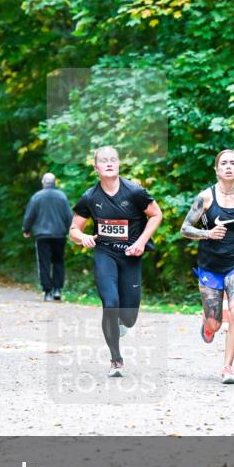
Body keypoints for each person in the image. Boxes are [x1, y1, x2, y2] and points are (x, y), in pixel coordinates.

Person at [70, 147, 163, 377]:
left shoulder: (134, 192)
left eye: (113, 160)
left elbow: (156, 214)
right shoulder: (90, 197)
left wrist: (141, 242)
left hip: (131, 255)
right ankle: (116, 360)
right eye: (104, 160)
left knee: (129, 318)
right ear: (96, 168)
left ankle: (122, 324)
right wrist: (83, 237)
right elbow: (73, 229)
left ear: (119, 164)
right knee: (110, 304)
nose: (109, 163)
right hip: (105, 253)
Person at [180, 149, 234, 384]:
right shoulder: (205, 198)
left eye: (233, 163)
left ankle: (228, 367)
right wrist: (207, 234)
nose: (228, 166)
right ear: (217, 170)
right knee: (214, 323)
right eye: (224, 163)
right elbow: (185, 228)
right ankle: (207, 325)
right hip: (209, 267)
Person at [23, 173, 75, 301]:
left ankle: (47, 292)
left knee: (44, 263)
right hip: (59, 234)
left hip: (42, 235)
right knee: (58, 261)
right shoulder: (62, 197)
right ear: (54, 182)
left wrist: (26, 229)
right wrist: (72, 230)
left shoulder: (37, 197)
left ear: (43, 182)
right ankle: (57, 290)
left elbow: (29, 215)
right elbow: (69, 216)